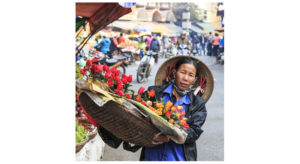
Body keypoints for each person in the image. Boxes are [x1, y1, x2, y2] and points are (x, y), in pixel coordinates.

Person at [97, 57, 207, 161]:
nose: (186, 78)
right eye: (182, 72)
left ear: (194, 79)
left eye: (191, 75)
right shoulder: (154, 93)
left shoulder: (197, 104)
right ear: (174, 73)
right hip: (151, 156)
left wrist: (170, 134)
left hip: (178, 158)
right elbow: (134, 117)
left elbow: (194, 132)